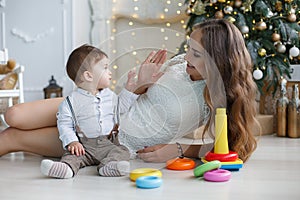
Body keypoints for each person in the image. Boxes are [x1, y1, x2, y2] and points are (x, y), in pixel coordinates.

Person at [0, 19, 259, 164]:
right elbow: (140, 94)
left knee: (11, 138)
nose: (186, 55)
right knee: (13, 115)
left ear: (218, 60)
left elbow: (236, 147)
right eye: (188, 47)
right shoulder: (180, 63)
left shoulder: (217, 96)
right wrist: (140, 84)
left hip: (110, 143)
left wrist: (181, 149)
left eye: (197, 53)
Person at [40, 44, 141, 178]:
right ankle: (66, 169)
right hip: (84, 147)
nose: (110, 72)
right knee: (72, 155)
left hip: (108, 144)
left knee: (122, 151)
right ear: (88, 76)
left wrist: (129, 90)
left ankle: (107, 167)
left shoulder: (109, 96)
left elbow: (120, 107)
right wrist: (72, 141)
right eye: (105, 68)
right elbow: (64, 123)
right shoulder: (72, 101)